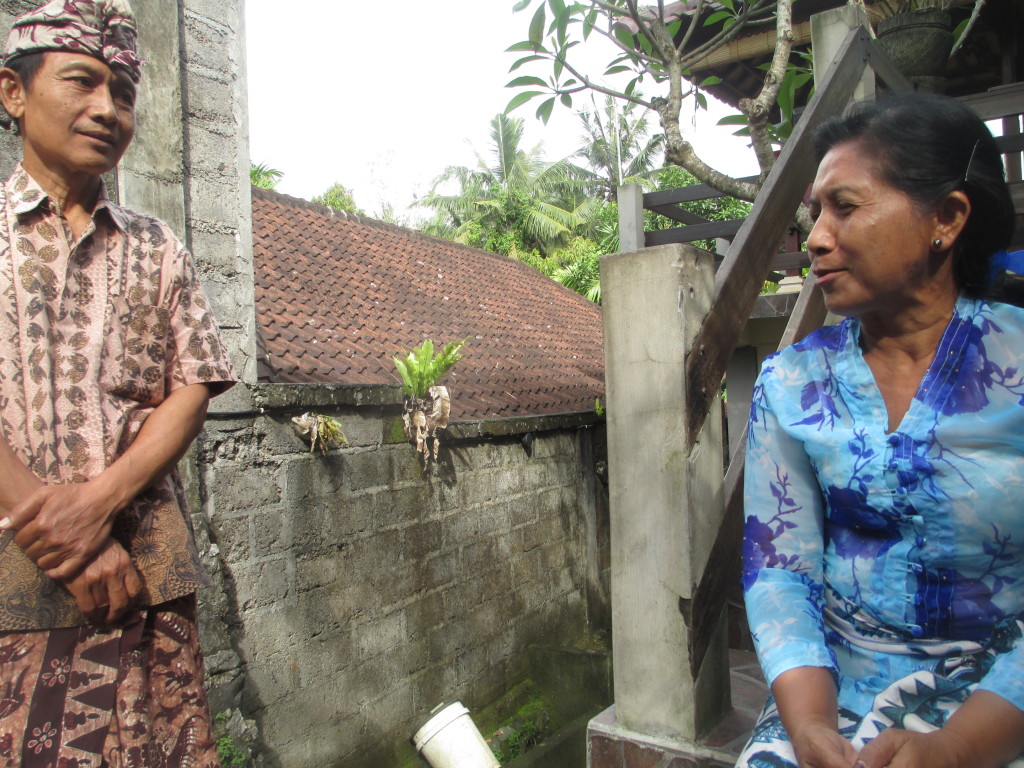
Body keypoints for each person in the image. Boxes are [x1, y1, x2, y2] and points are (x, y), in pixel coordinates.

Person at [737, 91, 1024, 768]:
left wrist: (952, 750)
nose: (813, 237)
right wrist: (808, 729)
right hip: (830, 695)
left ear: (946, 219)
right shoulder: (791, 385)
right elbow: (780, 573)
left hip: (1004, 705)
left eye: (845, 205)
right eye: (814, 213)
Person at [0, 1, 236, 765]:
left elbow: (192, 385)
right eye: (83, 82)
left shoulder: (156, 245)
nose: (108, 108)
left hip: (145, 577)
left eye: (125, 92)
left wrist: (100, 502)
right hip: (16, 580)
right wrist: (59, 528)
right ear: (13, 92)